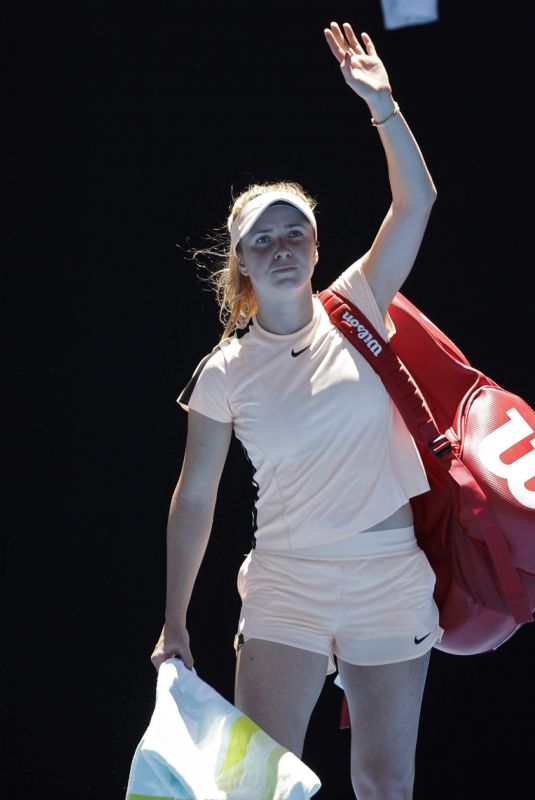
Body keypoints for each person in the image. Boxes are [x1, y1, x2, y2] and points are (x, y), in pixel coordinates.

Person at [151, 20, 441, 800]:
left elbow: (416, 202)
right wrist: (175, 621)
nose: (281, 247)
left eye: (295, 232)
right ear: (241, 263)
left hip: (388, 577)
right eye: (262, 239)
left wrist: (381, 106)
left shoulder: (360, 302)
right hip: (285, 585)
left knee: (385, 785)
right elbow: (196, 496)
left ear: (316, 247)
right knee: (255, 788)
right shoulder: (222, 372)